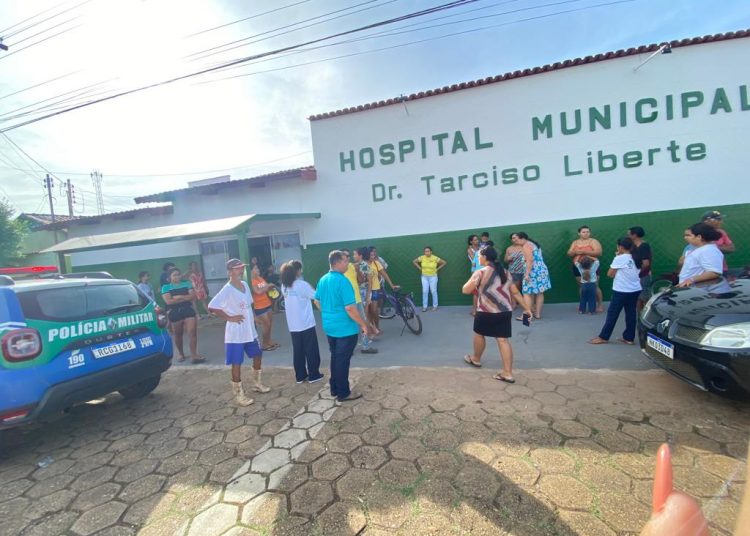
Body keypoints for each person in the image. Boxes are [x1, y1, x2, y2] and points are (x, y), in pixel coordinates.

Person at [461, 246, 531, 383]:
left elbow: (465, 290)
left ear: (485, 257)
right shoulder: (505, 272)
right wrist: (527, 308)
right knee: (503, 339)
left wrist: (473, 281)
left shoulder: (480, 272)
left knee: (479, 334)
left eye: (479, 256)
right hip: (505, 311)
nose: (478, 258)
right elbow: (515, 292)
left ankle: (476, 359)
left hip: (485, 311)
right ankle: (508, 373)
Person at [208, 258, 269, 406]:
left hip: (249, 329)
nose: (241, 270)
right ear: (229, 271)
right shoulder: (227, 289)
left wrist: (254, 318)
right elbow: (212, 306)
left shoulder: (245, 285)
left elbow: (249, 305)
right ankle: (239, 394)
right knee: (237, 362)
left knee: (257, 355)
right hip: (235, 332)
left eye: (241, 268)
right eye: (237, 268)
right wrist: (229, 317)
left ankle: (257, 383)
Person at [314, 250, 371, 402]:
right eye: (345, 261)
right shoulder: (343, 281)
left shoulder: (323, 279)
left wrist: (328, 313)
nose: (348, 263)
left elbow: (316, 300)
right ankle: (343, 393)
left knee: (335, 358)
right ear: (337, 262)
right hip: (345, 329)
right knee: (342, 361)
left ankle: (334, 388)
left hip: (330, 327)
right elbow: (350, 308)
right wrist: (363, 325)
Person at [589, 237, 642, 345]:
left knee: (612, 314)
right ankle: (629, 338)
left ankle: (603, 337)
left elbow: (610, 274)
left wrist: (617, 257)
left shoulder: (620, 258)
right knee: (631, 313)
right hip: (635, 289)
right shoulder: (636, 256)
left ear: (621, 247)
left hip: (621, 290)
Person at [280, 260, 324, 383]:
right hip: (306, 324)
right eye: (301, 269)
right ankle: (314, 375)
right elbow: (316, 296)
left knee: (298, 350)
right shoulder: (302, 285)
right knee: (311, 349)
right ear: (297, 271)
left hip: (293, 325)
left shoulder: (284, 286)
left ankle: (300, 376)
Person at [161, 267, 205, 363]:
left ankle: (194, 355)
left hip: (188, 310)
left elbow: (193, 296)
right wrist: (185, 297)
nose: (177, 276)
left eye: (178, 274)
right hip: (174, 312)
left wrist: (179, 297)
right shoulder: (165, 287)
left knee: (192, 333)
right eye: (174, 275)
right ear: (170, 277)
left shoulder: (187, 283)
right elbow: (168, 301)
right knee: (178, 334)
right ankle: (181, 353)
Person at [343, 248, 377, 354]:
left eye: (349, 255)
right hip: (347, 301)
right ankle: (349, 348)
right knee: (348, 325)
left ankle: (365, 346)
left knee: (363, 322)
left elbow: (361, 280)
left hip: (357, 298)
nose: (348, 258)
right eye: (346, 256)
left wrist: (357, 271)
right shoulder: (340, 270)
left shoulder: (353, 266)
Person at [515, 232, 552, 320]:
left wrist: (527, 274)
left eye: (517, 239)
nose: (516, 241)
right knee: (539, 292)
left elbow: (529, 260)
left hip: (532, 271)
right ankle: (537, 314)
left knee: (527, 293)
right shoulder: (534, 244)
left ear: (522, 238)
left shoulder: (526, 245)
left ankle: (527, 316)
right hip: (541, 271)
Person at [567, 226, 604, 312]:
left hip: (592, 266)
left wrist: (584, 252)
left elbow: (599, 252)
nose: (586, 233)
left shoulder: (593, 241)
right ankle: (583, 306)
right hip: (578, 266)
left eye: (587, 232)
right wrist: (573, 252)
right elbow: (569, 253)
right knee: (582, 286)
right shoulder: (575, 242)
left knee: (595, 286)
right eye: (583, 232)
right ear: (579, 233)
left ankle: (600, 305)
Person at [677, 223, 724, 288]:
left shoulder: (708, 250)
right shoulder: (699, 249)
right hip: (688, 289)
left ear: (699, 237)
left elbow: (714, 273)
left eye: (689, 235)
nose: (685, 238)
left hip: (696, 291)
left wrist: (691, 280)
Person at [367, 247, 398, 336]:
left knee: (374, 310)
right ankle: (371, 329)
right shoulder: (363, 265)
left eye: (374, 255)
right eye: (371, 255)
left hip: (375, 289)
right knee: (368, 311)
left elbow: (384, 274)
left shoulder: (376, 263)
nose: (373, 257)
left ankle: (376, 327)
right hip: (366, 291)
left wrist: (392, 285)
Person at [250, 264, 280, 350]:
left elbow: (268, 288)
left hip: (267, 304)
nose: (258, 270)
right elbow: (258, 292)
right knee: (266, 325)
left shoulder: (260, 279)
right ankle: (264, 344)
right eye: (256, 268)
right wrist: (268, 286)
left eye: (258, 268)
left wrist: (271, 287)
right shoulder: (252, 281)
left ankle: (268, 341)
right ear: (251, 271)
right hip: (260, 307)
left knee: (269, 324)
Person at [412, 246, 446, 312]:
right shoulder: (422, 257)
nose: (426, 253)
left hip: (433, 277)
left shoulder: (435, 258)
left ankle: (435, 306)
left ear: (431, 252)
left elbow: (444, 262)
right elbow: (414, 261)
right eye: (425, 251)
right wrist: (420, 268)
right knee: (425, 291)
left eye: (428, 251)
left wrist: (437, 269)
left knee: (433, 291)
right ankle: (425, 307)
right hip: (424, 277)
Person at [628, 226, 652, 310]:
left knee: (645, 296)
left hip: (643, 275)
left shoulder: (644, 246)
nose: (628, 236)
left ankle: (648, 314)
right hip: (636, 275)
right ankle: (639, 315)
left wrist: (637, 272)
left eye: (629, 234)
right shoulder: (632, 246)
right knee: (637, 296)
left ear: (635, 235)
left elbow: (646, 263)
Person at [467, 234, 481, 315]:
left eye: (477, 239)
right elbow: (475, 260)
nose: (477, 241)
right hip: (475, 272)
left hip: (484, 271)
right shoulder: (470, 250)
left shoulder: (481, 248)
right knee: (476, 292)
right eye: (475, 240)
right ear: (471, 241)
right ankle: (474, 311)